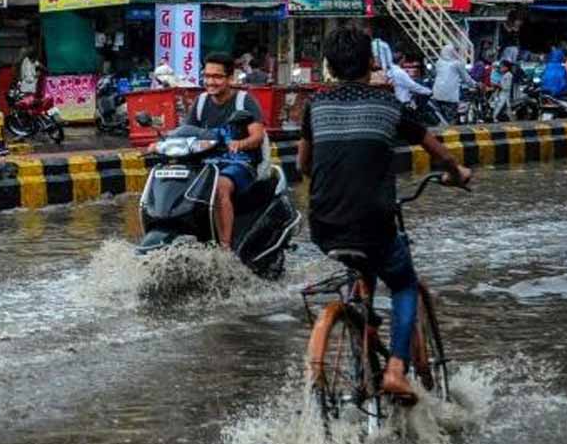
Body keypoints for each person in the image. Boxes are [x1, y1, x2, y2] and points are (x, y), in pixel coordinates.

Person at [297, 27, 473, 398]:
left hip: (323, 226)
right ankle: (395, 369)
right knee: (405, 284)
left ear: (328, 66)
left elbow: (303, 163)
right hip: (374, 223)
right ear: (372, 64)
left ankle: (364, 322)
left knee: (362, 259)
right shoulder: (389, 106)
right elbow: (437, 150)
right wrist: (457, 173)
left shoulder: (315, 106)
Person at [182, 52, 266, 251]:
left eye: (217, 77)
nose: (211, 81)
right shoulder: (201, 102)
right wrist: (161, 143)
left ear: (230, 78)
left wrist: (240, 144)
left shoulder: (244, 101)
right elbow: (186, 132)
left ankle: (225, 248)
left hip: (239, 163)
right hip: (207, 163)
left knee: (219, 186)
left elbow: (257, 136)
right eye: (208, 76)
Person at [432, 44, 477, 124]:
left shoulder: (438, 62)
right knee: (451, 119)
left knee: (441, 118)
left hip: (437, 93)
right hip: (450, 95)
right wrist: (475, 85)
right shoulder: (457, 64)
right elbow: (466, 79)